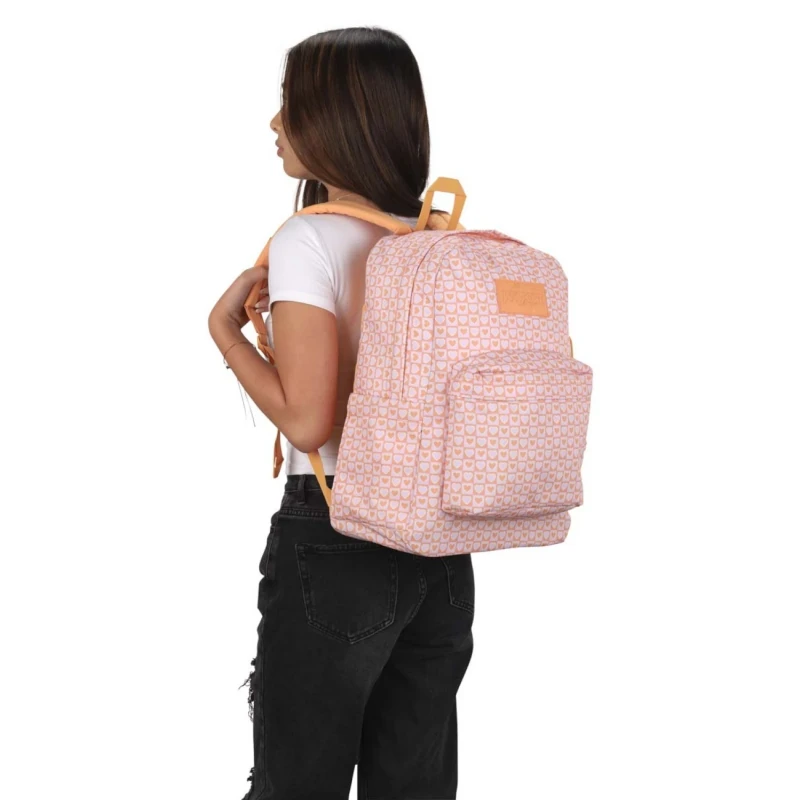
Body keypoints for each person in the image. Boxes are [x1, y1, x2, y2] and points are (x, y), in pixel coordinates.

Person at [208, 26, 475, 800]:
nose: (275, 123)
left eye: (289, 104)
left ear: (335, 118)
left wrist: (225, 333)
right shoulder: (433, 243)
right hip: (440, 548)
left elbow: (308, 422)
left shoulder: (310, 239)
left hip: (337, 534)